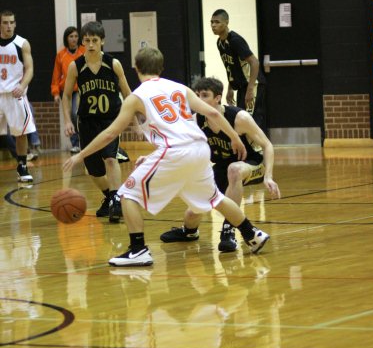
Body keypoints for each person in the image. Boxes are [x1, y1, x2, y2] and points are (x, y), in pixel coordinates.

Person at [62, 46, 270, 267]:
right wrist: (234, 137)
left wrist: (80, 155)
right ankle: (252, 234)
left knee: (127, 194)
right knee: (214, 198)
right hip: (199, 149)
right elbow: (212, 112)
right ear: (161, 67)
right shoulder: (180, 88)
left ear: (136, 68)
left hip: (175, 151)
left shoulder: (136, 97)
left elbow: (111, 133)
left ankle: (138, 249)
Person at [161, 76, 280, 252]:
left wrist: (269, 176)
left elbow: (267, 145)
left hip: (252, 164)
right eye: (197, 95)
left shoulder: (239, 118)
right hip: (222, 167)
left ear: (217, 98)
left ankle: (229, 229)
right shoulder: (197, 120)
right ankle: (189, 232)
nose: (199, 100)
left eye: (204, 95)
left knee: (234, 170)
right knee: (193, 211)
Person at [62, 21, 133, 223]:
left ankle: (116, 200)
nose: (91, 44)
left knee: (111, 159)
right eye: (87, 40)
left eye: (95, 40)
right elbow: (66, 95)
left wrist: (135, 121)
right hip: (87, 122)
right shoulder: (75, 67)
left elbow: (127, 93)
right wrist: (67, 120)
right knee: (93, 170)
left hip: (111, 120)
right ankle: (109, 196)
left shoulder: (113, 64)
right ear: (82, 42)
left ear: (102, 41)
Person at [211, 8, 267, 130]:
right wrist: (230, 88)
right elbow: (231, 67)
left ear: (226, 23)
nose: (213, 25)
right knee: (241, 119)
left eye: (217, 22)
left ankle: (259, 148)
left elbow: (255, 62)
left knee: (251, 121)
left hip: (252, 84)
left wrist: (250, 89)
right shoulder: (220, 43)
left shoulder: (235, 40)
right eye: (212, 22)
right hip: (242, 86)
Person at [0, 9, 36, 183]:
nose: (9, 26)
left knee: (21, 132)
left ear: (15, 23)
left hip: (15, 94)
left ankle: (22, 166)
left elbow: (29, 68)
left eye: (11, 22)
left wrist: (22, 86)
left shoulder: (22, 44)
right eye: (5, 22)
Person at [51, 25, 85, 153]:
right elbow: (56, 75)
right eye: (71, 36)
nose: (74, 39)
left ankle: (83, 141)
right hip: (66, 90)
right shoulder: (61, 55)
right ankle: (75, 143)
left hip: (80, 89)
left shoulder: (83, 51)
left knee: (77, 113)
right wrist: (55, 93)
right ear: (67, 38)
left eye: (76, 36)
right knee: (69, 116)